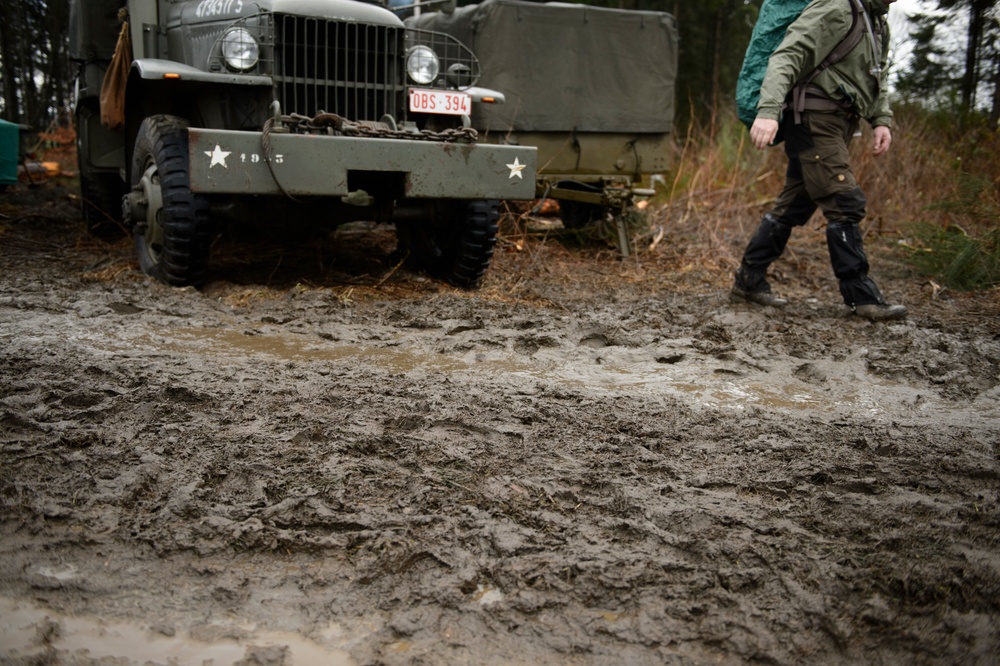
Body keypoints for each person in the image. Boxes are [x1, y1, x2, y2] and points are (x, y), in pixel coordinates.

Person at [731, 0, 907, 321]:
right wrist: (768, 111)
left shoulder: (877, 21)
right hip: (814, 120)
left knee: (795, 204)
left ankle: (749, 280)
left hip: (839, 122)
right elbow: (788, 55)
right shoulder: (838, 7)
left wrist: (881, 119)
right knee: (844, 201)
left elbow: (876, 75)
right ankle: (861, 296)